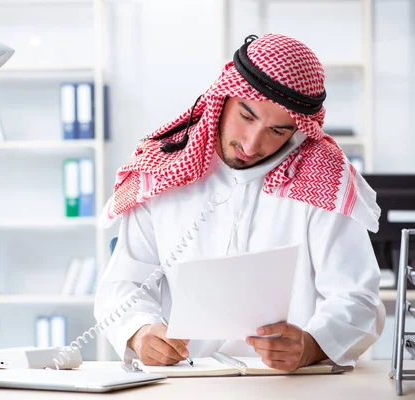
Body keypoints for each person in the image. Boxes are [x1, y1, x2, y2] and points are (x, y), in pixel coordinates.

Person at [93, 34, 385, 373]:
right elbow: (122, 285)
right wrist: (140, 332)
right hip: (184, 384)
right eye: (247, 116)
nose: (251, 143)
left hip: (288, 387)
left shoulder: (325, 179)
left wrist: (311, 346)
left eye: (277, 131)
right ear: (223, 97)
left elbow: (359, 299)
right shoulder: (161, 169)